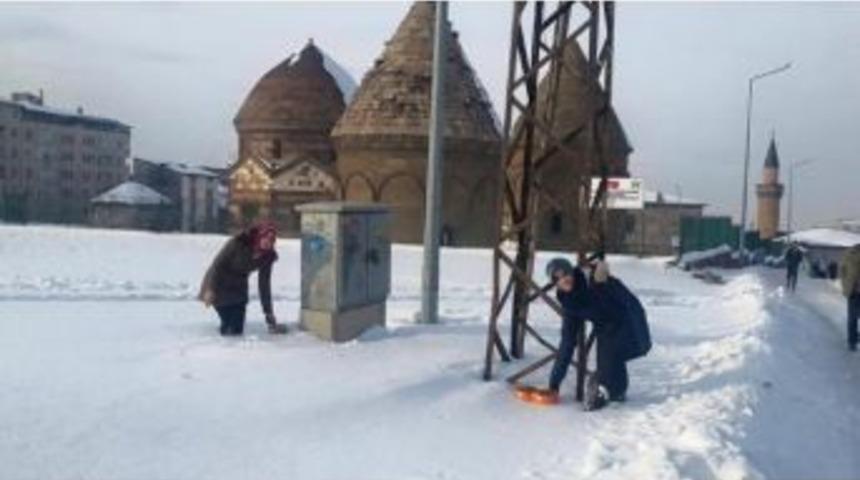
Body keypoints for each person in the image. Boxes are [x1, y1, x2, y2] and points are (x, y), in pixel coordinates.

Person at [543, 257, 651, 411]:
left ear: (572, 272)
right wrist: (554, 384)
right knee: (609, 356)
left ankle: (604, 393)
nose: (563, 279)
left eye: (565, 273)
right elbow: (567, 343)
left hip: (629, 318)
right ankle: (617, 394)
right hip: (607, 326)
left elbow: (624, 300)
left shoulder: (592, 279)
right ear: (554, 283)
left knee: (609, 356)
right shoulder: (569, 304)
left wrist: (604, 282)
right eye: (557, 277)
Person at [198, 221, 287, 336]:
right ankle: (220, 349)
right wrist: (210, 289)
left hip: (239, 288)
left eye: (271, 240)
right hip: (218, 283)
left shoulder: (267, 257)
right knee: (228, 325)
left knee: (236, 329)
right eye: (265, 238)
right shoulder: (238, 243)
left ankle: (236, 350)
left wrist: (268, 314)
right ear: (259, 236)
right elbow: (218, 265)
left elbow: (264, 285)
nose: (267, 242)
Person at [839, 244, 860, 351]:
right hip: (853, 291)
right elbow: (842, 270)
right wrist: (845, 285)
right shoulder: (849, 253)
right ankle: (852, 341)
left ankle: (856, 336)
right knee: (853, 318)